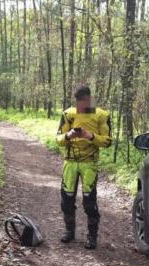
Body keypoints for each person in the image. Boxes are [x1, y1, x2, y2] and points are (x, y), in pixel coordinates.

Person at [56, 85, 112, 249]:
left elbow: (108, 141)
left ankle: (92, 236)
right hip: (70, 162)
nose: (81, 105)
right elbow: (58, 139)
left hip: (89, 164)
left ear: (89, 99)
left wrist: (91, 136)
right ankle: (69, 231)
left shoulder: (101, 115)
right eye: (79, 102)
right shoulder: (68, 114)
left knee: (89, 201)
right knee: (66, 200)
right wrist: (69, 135)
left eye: (84, 101)